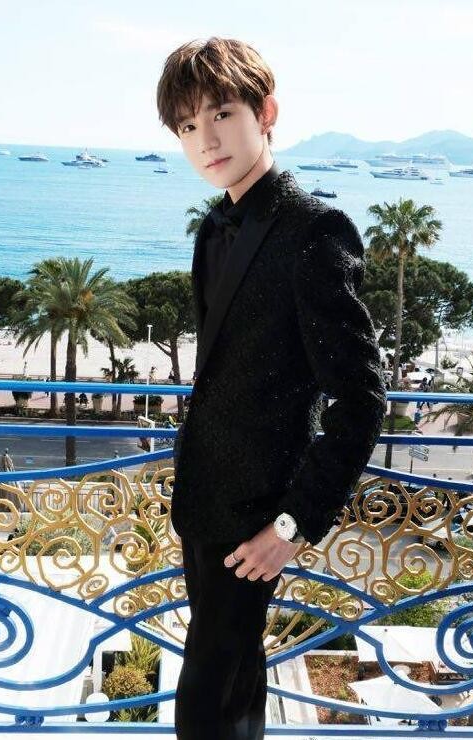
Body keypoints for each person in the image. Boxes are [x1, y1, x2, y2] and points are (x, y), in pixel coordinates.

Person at [156, 37, 386, 739]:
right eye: (188, 125)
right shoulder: (212, 229)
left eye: (221, 114)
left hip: (258, 524)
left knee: (203, 709)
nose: (206, 139)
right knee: (234, 693)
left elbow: (362, 400)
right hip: (204, 505)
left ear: (267, 113)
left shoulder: (316, 231)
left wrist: (292, 526)